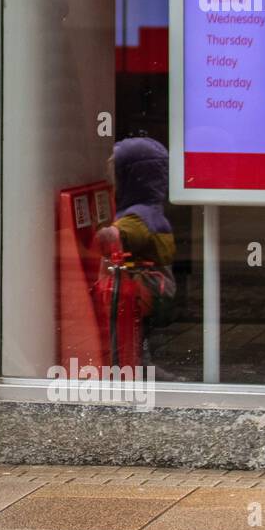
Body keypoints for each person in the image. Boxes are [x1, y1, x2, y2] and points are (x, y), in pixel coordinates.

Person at [96, 136, 177, 366]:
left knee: (127, 335)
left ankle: (131, 369)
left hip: (139, 290)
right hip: (155, 286)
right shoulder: (151, 209)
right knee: (141, 336)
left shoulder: (137, 216)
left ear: (131, 177)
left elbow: (114, 238)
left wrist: (97, 234)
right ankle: (145, 367)